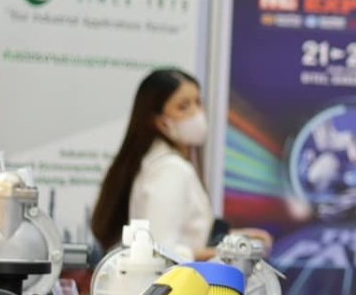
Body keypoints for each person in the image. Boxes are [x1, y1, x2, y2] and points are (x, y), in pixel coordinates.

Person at [91, 68, 261, 260]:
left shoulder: (162, 163)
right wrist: (224, 253)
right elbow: (161, 251)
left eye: (198, 102)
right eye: (183, 107)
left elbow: (179, 237)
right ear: (161, 121)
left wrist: (234, 240)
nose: (197, 113)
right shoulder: (171, 170)